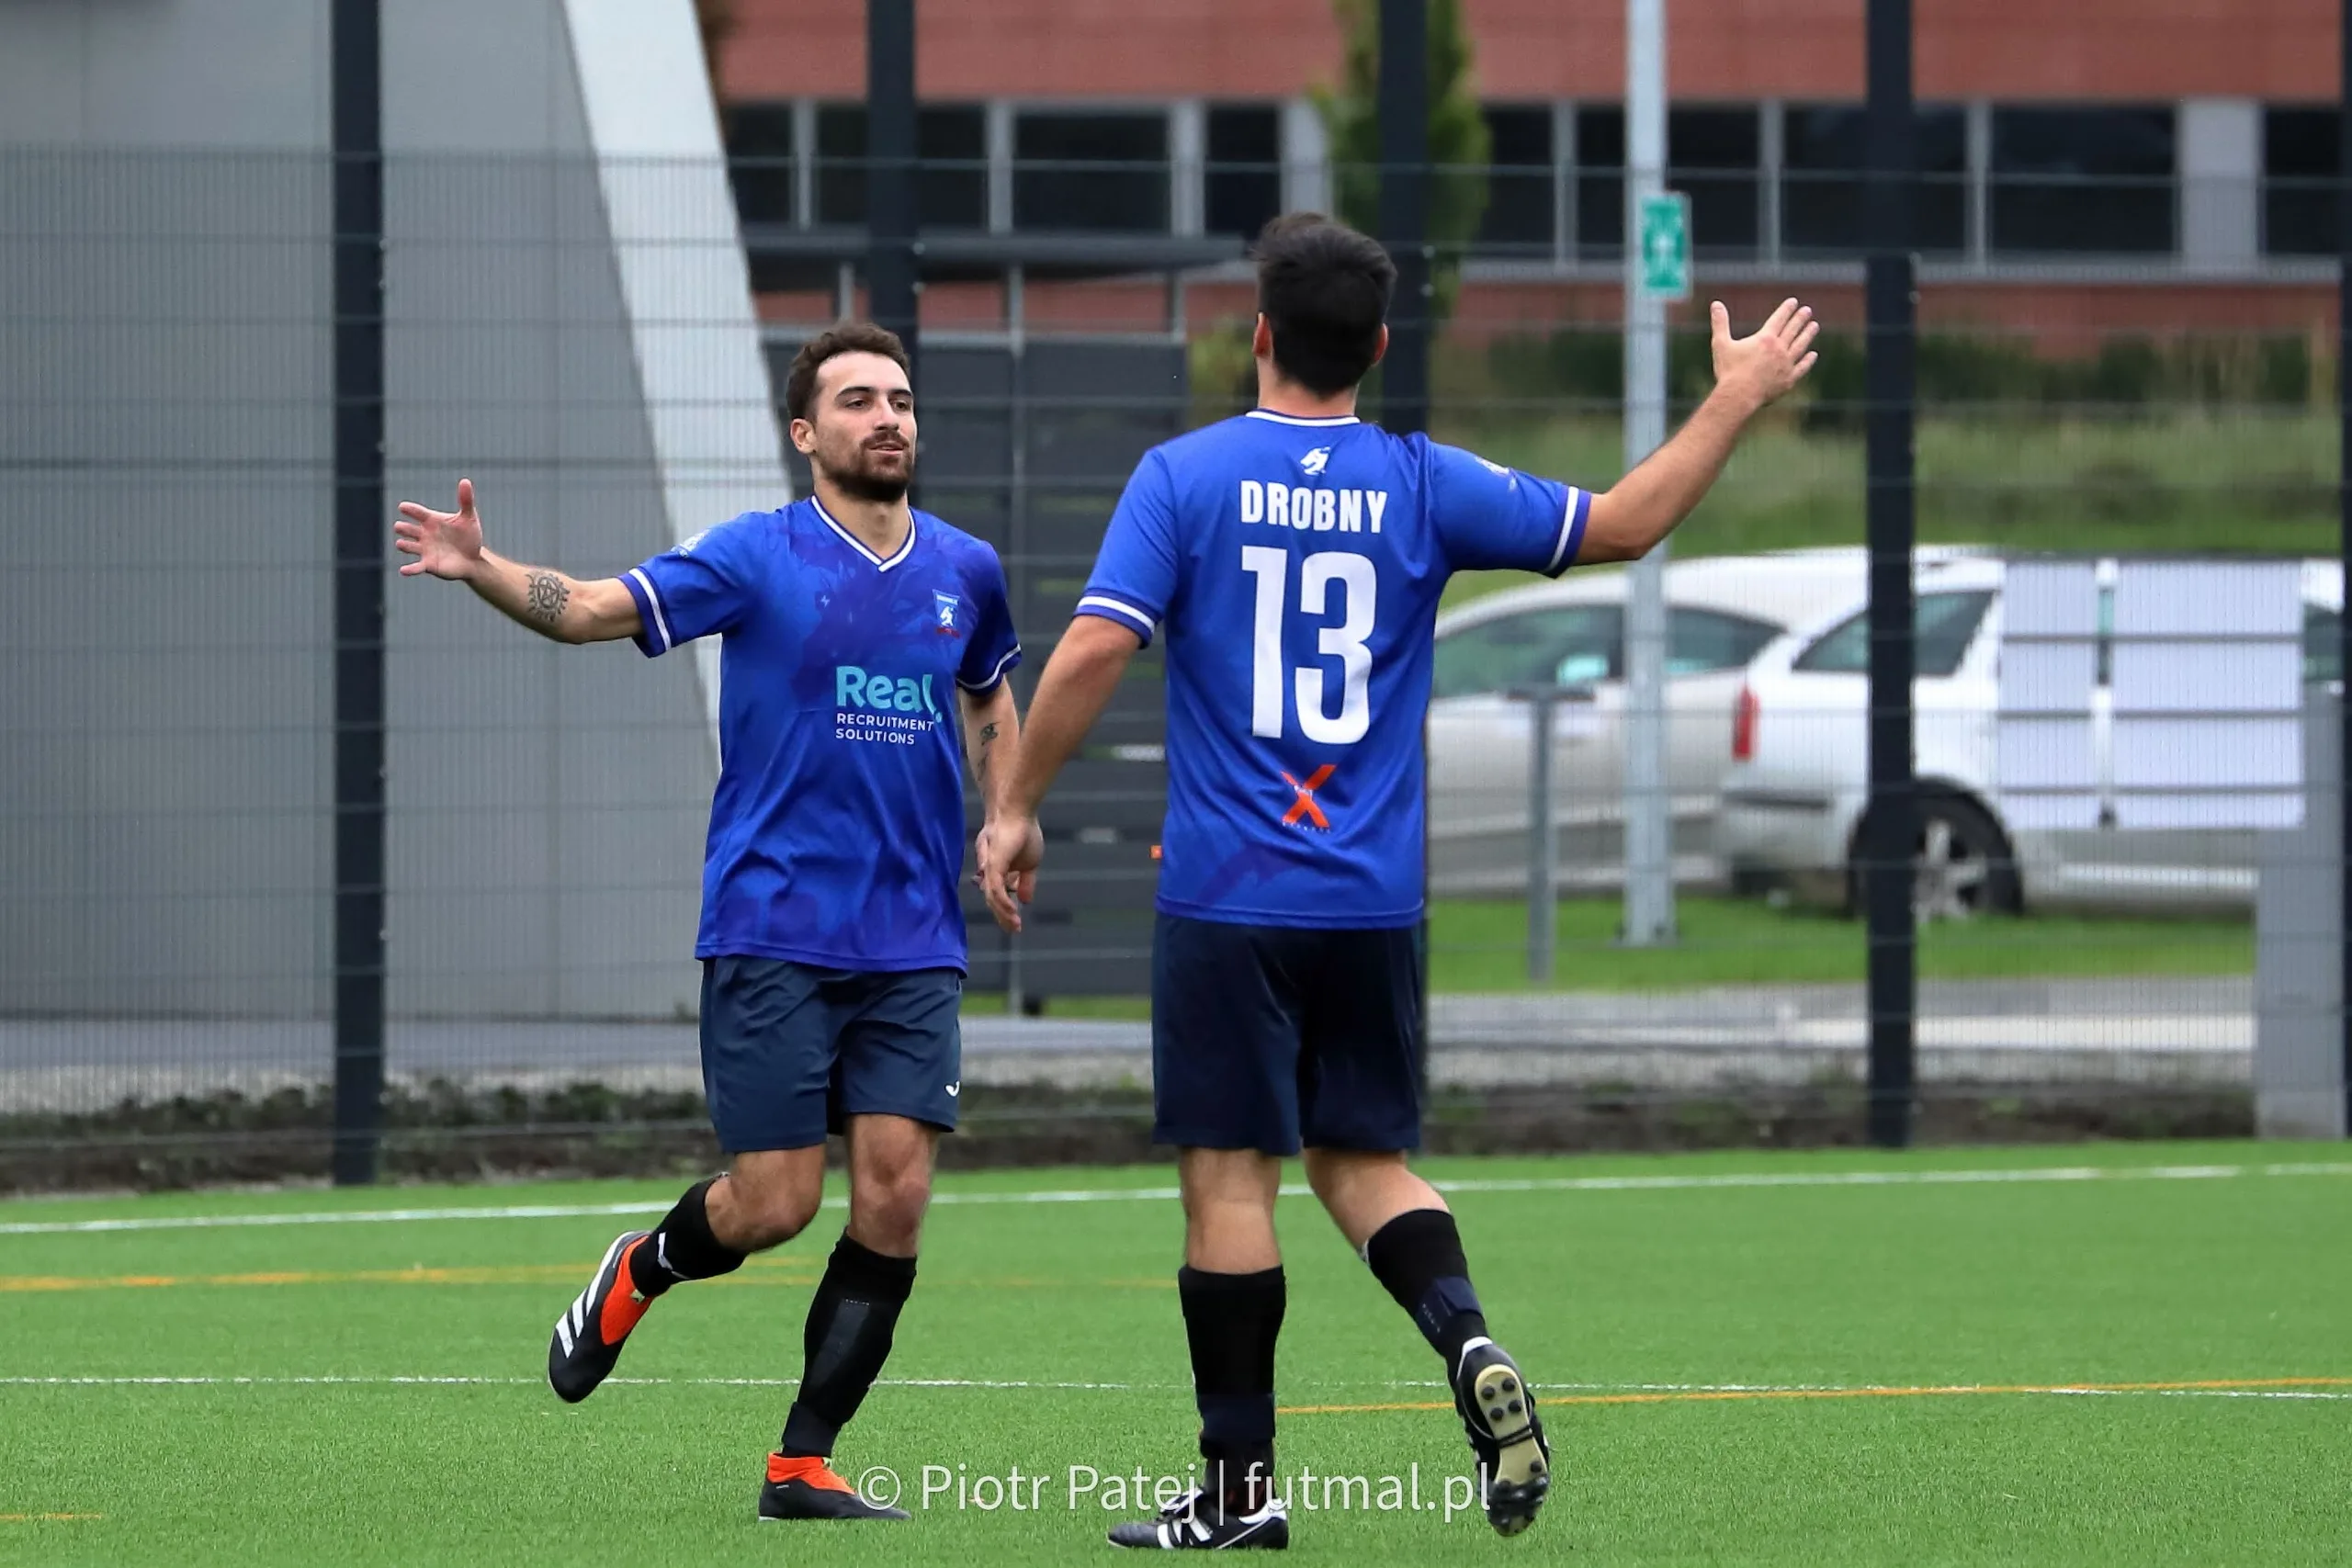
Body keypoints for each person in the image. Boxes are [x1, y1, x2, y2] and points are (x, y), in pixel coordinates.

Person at [976, 214, 1817, 1551]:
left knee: (1229, 1179)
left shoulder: (1184, 478)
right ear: (1375, 346)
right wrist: (1735, 394)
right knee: (1363, 1157)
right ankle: (1468, 1339)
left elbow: (1088, 652)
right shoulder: (1425, 483)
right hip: (1369, 901)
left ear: (1258, 334)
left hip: (1228, 898)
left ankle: (1240, 1492)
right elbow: (1630, 525)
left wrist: (1015, 803)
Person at [395, 322, 1034, 1524]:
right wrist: (484, 568)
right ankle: (642, 1265)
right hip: (773, 927)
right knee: (776, 1202)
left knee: (894, 1196)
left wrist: (1009, 814)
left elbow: (993, 689)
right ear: (807, 434)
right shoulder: (755, 556)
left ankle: (802, 1460)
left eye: (899, 400)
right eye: (858, 402)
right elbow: (590, 608)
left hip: (911, 940)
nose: (887, 417)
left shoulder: (967, 568)